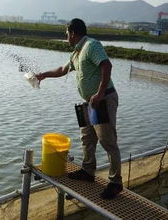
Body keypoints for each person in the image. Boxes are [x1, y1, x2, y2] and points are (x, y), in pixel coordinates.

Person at [36, 18, 123, 200]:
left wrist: (99, 94)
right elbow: (62, 69)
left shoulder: (91, 45)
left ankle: (115, 183)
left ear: (73, 33)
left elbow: (106, 65)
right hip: (90, 102)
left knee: (107, 141)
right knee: (87, 139)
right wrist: (43, 75)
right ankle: (88, 171)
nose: (66, 37)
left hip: (103, 99)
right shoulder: (76, 53)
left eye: (66, 34)